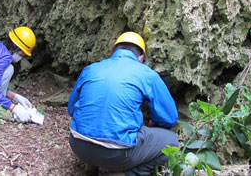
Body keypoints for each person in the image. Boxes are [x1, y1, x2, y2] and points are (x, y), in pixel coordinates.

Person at [68, 32, 179, 176]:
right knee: (171, 142)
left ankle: (91, 165)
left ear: (114, 51)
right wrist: (152, 122)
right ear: (141, 58)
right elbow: (169, 118)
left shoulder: (91, 69)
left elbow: (72, 109)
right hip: (116, 154)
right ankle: (125, 173)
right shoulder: (147, 74)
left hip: (78, 145)